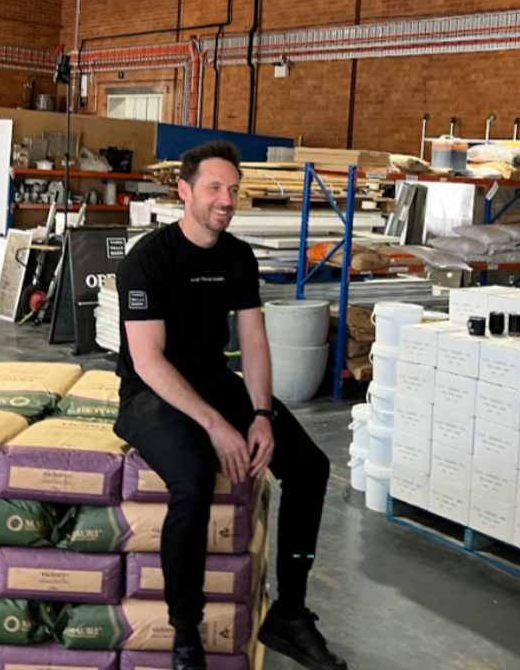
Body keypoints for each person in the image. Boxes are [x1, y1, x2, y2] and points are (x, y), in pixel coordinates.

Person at [113, 141, 347, 670]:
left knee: (310, 468)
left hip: (215, 381)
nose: (226, 199)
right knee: (193, 482)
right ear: (184, 191)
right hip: (150, 393)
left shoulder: (238, 256)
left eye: (234, 190)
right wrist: (216, 425)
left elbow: (254, 340)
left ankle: (289, 614)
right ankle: (185, 632)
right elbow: (147, 361)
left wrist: (261, 414)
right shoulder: (148, 261)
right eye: (214, 188)